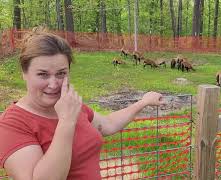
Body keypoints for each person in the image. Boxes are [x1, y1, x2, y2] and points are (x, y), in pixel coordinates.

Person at [0, 27, 164, 180]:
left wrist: (143, 102)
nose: (54, 84)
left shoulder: (69, 105)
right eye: (43, 74)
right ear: (24, 74)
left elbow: (108, 124)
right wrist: (66, 122)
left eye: (61, 73)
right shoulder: (12, 124)